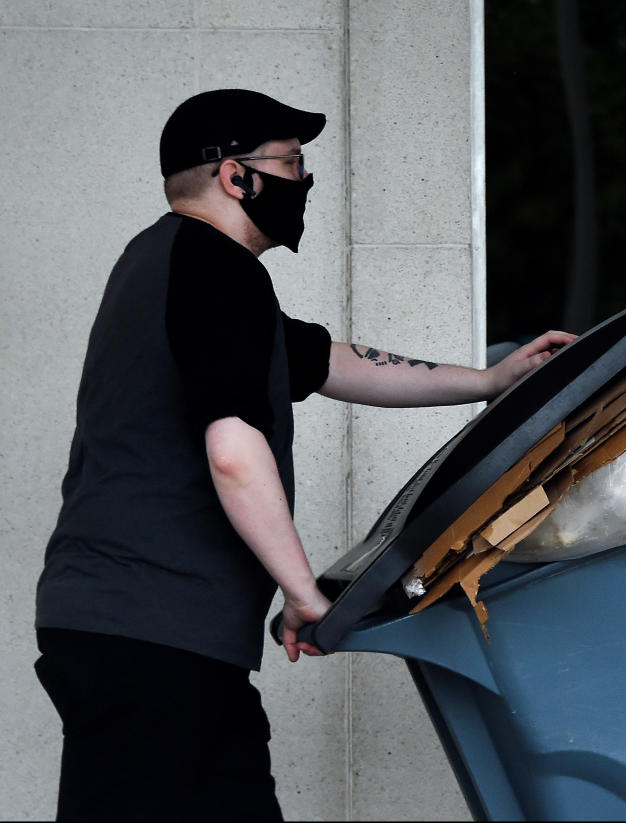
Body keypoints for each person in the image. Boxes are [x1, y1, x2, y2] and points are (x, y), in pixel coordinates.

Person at [33, 88, 573, 821]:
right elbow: (232, 448)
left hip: (144, 634)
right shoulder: (213, 269)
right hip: (150, 635)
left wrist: (488, 381)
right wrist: (303, 589)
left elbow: (331, 361)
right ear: (236, 176)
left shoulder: (170, 265)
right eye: (291, 163)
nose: (304, 180)